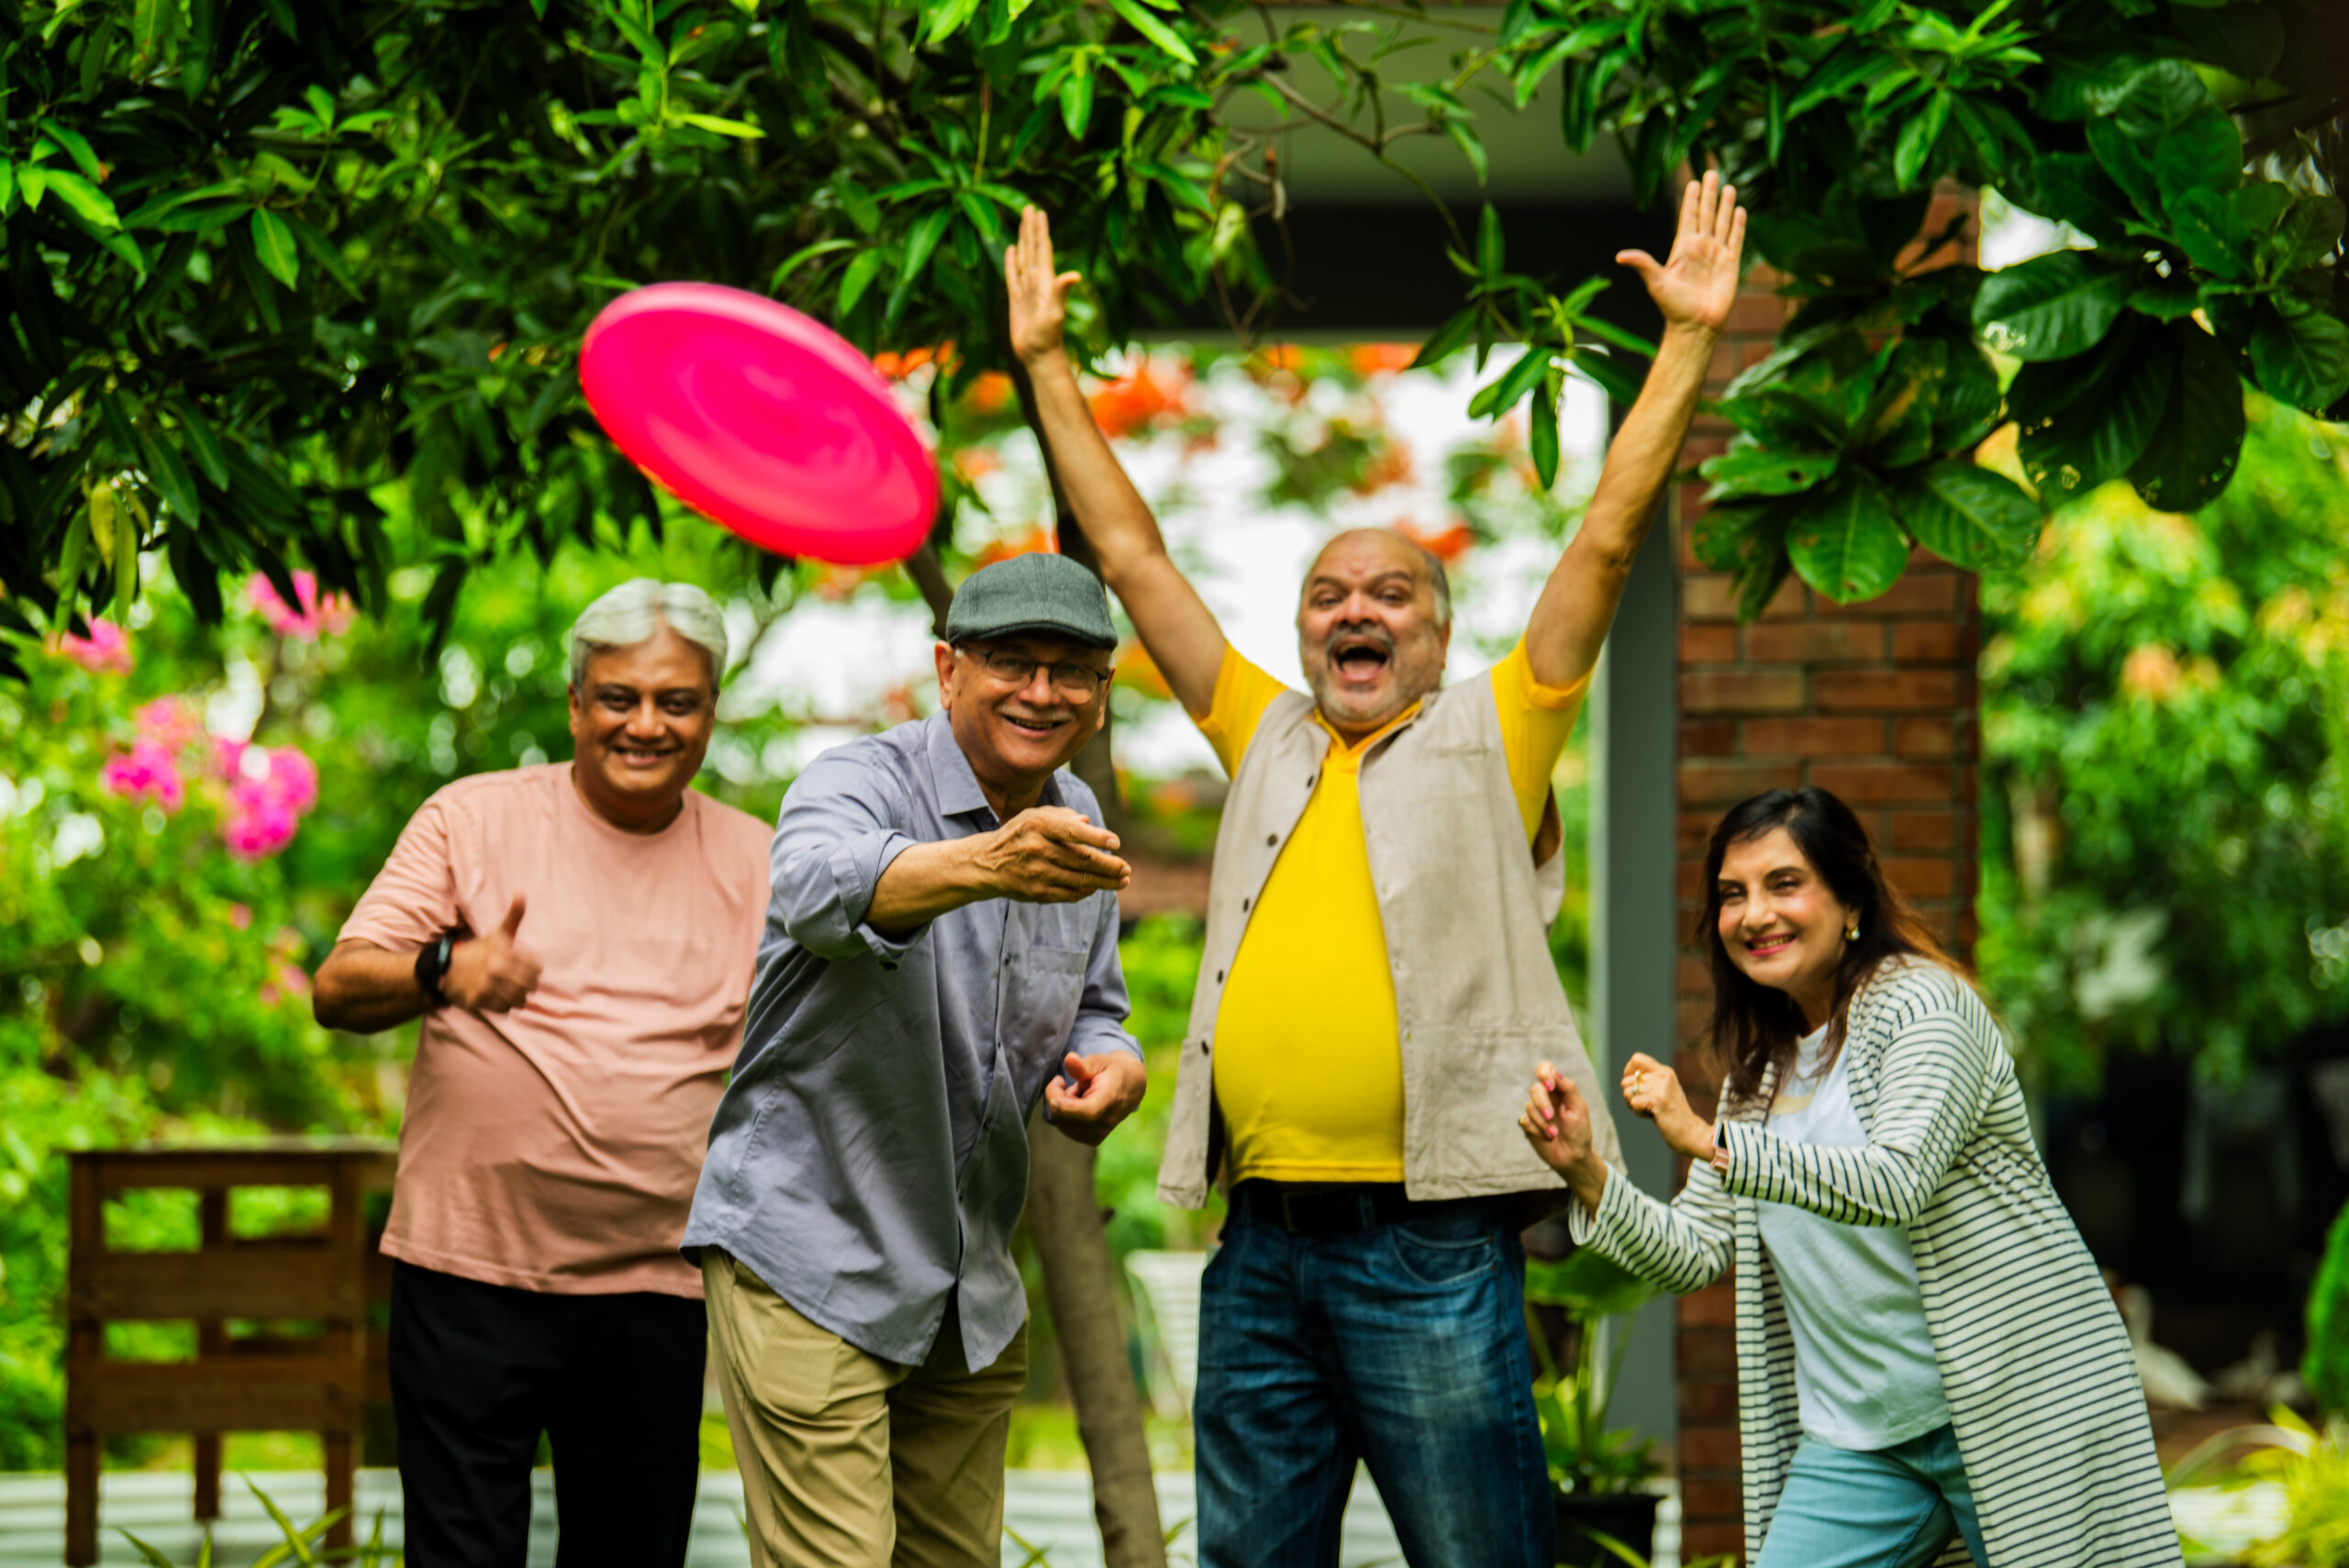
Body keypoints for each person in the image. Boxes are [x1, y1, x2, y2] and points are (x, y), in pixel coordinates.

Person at [1001, 174, 1747, 1568]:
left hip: (1433, 1247)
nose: (1356, 609)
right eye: (1328, 596)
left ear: (1440, 630)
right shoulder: (1267, 732)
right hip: (1261, 1248)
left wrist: (1693, 340)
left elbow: (1605, 537)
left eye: (1391, 591)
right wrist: (1046, 364)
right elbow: (1132, 552)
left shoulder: (1495, 729)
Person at [1520, 786, 2185, 1568]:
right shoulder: (1758, 1075)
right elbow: (1694, 1250)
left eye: (1784, 883)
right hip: (1864, 1444)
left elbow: (1896, 1179)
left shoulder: (1924, 1009)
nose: (1754, 913)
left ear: (1852, 900)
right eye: (1732, 894)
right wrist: (1586, 1170)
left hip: (2015, 1405)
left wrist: (1706, 1138)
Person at [681, 550, 1150, 1568]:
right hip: (812, 1255)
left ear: (1101, 697)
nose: (1040, 689)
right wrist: (988, 862)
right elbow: (812, 885)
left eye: (1070, 668)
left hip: (965, 1279)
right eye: (1010, 661)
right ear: (948, 670)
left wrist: (1114, 1062)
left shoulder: (1081, 820)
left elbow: (1097, 1007)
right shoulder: (858, 777)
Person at [311, 579, 774, 1568]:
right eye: (617, 697)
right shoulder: (470, 820)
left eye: (675, 700)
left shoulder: (760, 859)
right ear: (575, 705)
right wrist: (443, 967)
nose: (644, 723)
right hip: (469, 1275)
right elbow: (339, 987)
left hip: (658, 1288)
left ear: (709, 711)